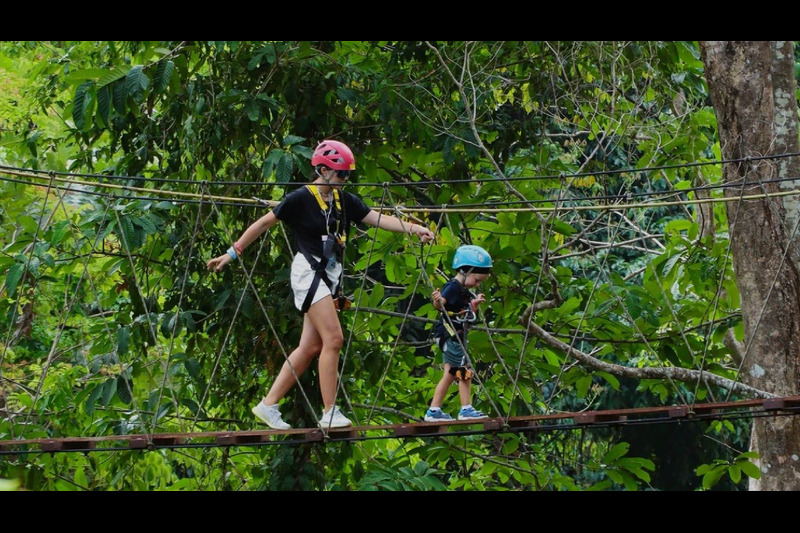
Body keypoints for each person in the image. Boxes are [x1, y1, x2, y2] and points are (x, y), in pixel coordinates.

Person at [207, 140, 434, 430]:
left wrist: (414, 228)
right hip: (308, 273)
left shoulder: (344, 201)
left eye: (347, 175)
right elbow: (264, 223)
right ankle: (329, 412)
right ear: (323, 170)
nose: (345, 179)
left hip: (329, 276)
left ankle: (268, 404)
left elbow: (377, 219)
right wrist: (232, 253)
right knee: (334, 339)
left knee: (311, 346)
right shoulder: (300, 198)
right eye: (341, 174)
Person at [424, 244, 492, 422]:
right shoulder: (453, 287)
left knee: (449, 374)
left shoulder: (462, 290)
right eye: (476, 280)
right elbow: (441, 305)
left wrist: (474, 304)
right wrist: (438, 300)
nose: (477, 284)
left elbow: (463, 312)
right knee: (464, 371)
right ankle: (465, 409)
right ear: (465, 270)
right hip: (450, 336)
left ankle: (434, 410)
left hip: (454, 336)